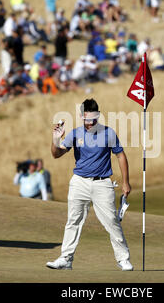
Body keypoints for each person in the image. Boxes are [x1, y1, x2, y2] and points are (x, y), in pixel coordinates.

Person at [47, 98, 133, 271]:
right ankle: (66, 259)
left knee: (111, 221)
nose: (90, 123)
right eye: (87, 119)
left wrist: (126, 182)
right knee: (73, 220)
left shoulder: (108, 133)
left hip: (103, 183)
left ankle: (123, 259)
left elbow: (120, 156)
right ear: (81, 116)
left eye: (93, 119)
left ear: (98, 116)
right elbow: (56, 155)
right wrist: (56, 139)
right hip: (79, 182)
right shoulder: (75, 133)